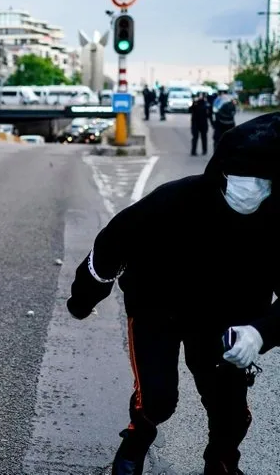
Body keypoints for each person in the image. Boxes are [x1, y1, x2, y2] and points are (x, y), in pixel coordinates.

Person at [66, 112, 280, 475]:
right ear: (221, 173)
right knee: (158, 397)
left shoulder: (277, 222)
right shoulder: (175, 199)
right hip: (157, 306)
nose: (251, 188)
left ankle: (222, 462)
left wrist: (261, 331)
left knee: (229, 407)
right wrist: (82, 299)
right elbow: (113, 242)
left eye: (263, 181)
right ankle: (135, 441)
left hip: (226, 317)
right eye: (241, 178)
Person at [212, 85, 237, 152]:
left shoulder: (218, 99)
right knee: (231, 140)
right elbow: (234, 111)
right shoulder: (232, 99)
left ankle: (216, 155)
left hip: (219, 123)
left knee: (217, 140)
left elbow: (214, 110)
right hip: (230, 123)